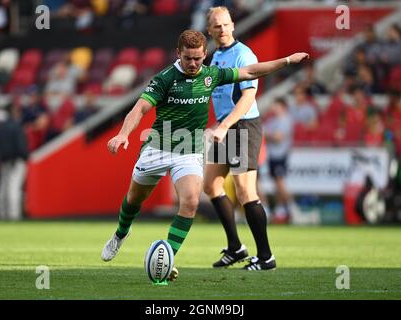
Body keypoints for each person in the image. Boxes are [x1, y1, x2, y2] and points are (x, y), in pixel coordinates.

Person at [100, 29, 309, 279]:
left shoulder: (210, 75)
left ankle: (166, 260)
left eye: (198, 58)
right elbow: (139, 108)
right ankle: (121, 233)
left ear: (204, 54)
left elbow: (251, 71)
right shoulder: (165, 78)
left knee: (189, 202)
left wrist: (286, 60)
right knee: (134, 199)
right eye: (188, 58)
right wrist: (124, 134)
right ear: (178, 54)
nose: (193, 64)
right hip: (158, 144)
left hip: (188, 149)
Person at [203, 6, 275, 271]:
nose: (222, 30)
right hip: (226, 126)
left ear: (232, 25)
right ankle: (236, 248)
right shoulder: (214, 58)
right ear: (209, 30)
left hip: (243, 126)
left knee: (245, 191)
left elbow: (247, 98)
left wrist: (225, 126)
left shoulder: (243, 54)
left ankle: (266, 257)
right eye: (216, 26)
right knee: (211, 185)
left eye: (225, 25)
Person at [0, 103, 29, 220]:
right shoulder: (16, 126)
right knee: (13, 187)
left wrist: (0, 159)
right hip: (16, 160)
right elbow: (20, 145)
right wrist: (25, 157)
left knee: (3, 187)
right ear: (13, 111)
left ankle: (2, 213)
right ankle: (13, 215)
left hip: (4, 160)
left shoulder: (0, 126)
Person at [264, 98, 294, 224]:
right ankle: (281, 210)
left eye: (276, 105)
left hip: (280, 155)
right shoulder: (273, 120)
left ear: (282, 106)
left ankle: (292, 208)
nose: (273, 108)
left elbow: (278, 137)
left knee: (280, 182)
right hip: (272, 155)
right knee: (277, 183)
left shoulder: (285, 120)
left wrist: (266, 135)